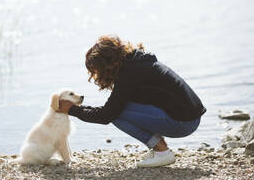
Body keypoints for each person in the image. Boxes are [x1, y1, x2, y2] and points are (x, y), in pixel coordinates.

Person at [58, 35, 206, 167]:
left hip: (184, 123)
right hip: (189, 117)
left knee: (116, 115)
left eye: (97, 70)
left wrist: (72, 110)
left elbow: (106, 115)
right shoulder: (136, 62)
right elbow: (111, 108)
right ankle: (160, 150)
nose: (97, 76)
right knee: (118, 109)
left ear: (107, 65)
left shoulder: (129, 75)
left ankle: (162, 152)